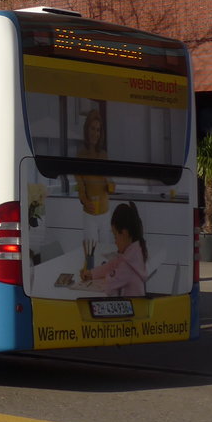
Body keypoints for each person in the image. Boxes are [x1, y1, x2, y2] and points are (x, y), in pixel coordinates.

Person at [81, 202, 148, 296]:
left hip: (130, 309)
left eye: (115, 237)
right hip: (134, 306)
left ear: (124, 233)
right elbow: (113, 264)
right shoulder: (135, 252)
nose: (115, 242)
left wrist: (109, 275)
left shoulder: (127, 266)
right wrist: (92, 273)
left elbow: (109, 288)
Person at [75, 107, 112, 264]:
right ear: (86, 130)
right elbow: (80, 184)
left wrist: (110, 184)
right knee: (90, 251)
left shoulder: (104, 155)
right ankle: (89, 277)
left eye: (98, 129)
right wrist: (84, 200)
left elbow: (109, 183)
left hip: (104, 210)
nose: (95, 133)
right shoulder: (80, 155)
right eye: (92, 128)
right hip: (89, 213)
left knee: (105, 251)